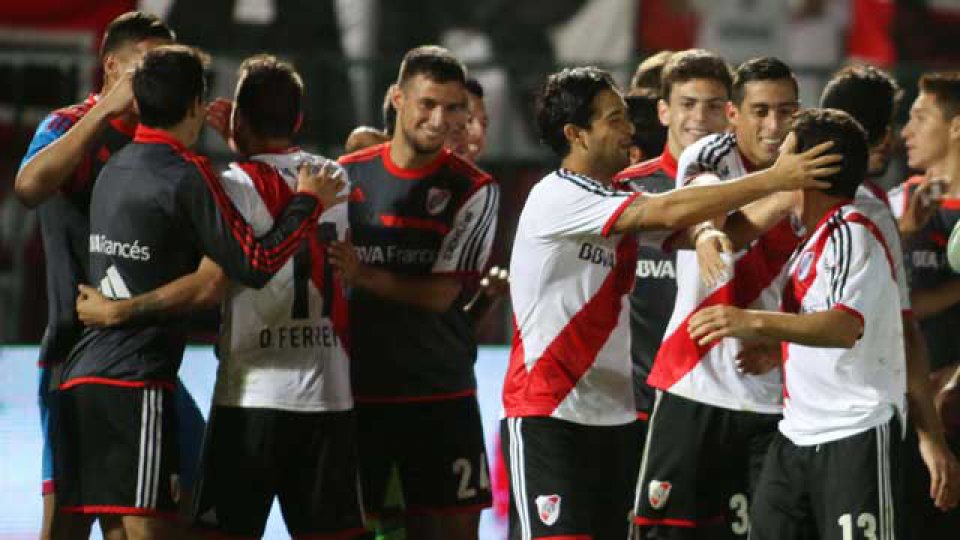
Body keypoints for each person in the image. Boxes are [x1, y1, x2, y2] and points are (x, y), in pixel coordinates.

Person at [501, 65, 837, 540]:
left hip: (614, 418)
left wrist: (783, 195)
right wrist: (773, 180)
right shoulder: (557, 197)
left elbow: (729, 230)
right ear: (576, 134)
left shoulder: (613, 200)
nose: (630, 128)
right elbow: (667, 208)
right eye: (614, 119)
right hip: (549, 414)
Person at [54, 45, 342, 538]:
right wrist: (306, 203)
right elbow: (254, 262)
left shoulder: (115, 169)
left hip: (85, 376)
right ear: (194, 106)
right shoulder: (189, 176)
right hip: (134, 381)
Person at [11, 12, 202, 538]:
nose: (152, 76)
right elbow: (28, 188)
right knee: (70, 521)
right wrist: (102, 113)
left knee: (187, 506)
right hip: (74, 355)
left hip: (146, 362)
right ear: (111, 66)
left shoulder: (166, 139)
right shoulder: (66, 125)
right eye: (145, 63)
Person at [687, 108, 906, 539]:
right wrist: (779, 351)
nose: (779, 165)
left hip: (853, 431)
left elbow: (843, 327)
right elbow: (819, 323)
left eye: (788, 155)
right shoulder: (816, 236)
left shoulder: (851, 230)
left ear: (812, 168)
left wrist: (749, 320)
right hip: (796, 434)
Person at [634, 57, 828, 539]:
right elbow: (706, 203)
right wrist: (706, 236)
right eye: (760, 111)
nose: (773, 125)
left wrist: (784, 345)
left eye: (786, 112)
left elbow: (833, 282)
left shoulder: (819, 166)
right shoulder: (710, 153)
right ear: (734, 114)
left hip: (778, 397)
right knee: (666, 532)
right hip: (694, 380)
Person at [328, 46, 498, 540]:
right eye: (427, 104)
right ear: (398, 99)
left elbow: (441, 296)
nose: (438, 119)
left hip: (440, 392)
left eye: (451, 108)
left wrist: (364, 275)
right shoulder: (348, 174)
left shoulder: (475, 188)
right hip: (361, 391)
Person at [614, 50, 732, 455]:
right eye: (687, 104)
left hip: (719, 401)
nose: (699, 117)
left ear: (731, 113)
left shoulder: (751, 190)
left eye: (713, 106)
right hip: (633, 405)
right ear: (663, 111)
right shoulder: (623, 189)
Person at [887, 71, 960, 535]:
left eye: (920, 118)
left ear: (957, 126)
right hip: (906, 421)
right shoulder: (897, 206)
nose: (905, 132)